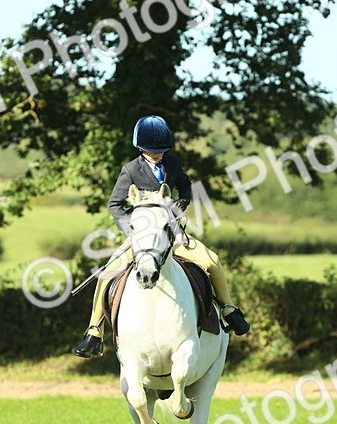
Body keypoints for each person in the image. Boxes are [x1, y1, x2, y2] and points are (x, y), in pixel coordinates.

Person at [73, 115, 250, 358]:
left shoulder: (173, 164)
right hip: (142, 238)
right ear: (140, 148)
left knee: (211, 261)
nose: (157, 155)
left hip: (172, 234)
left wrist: (183, 201)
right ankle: (94, 331)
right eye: (151, 151)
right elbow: (115, 204)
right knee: (108, 273)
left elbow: (185, 184)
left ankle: (229, 309)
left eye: (161, 151)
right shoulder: (130, 170)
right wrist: (133, 229)